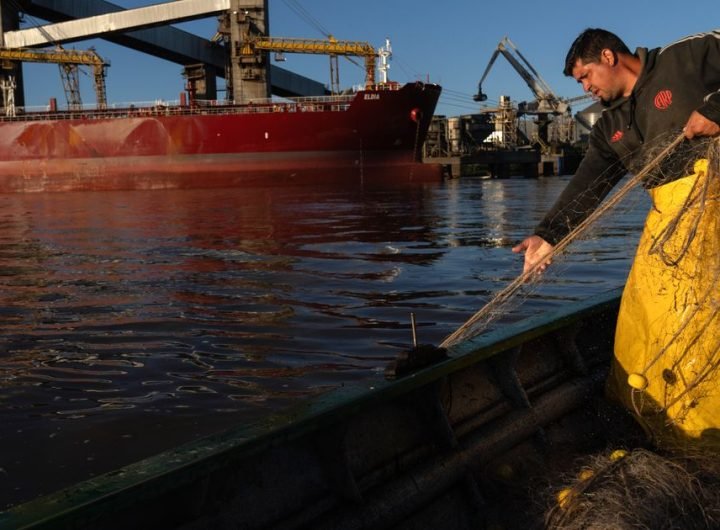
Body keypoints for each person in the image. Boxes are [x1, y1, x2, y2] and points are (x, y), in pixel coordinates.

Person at [512, 28, 720, 448]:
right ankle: (668, 433)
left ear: (609, 57)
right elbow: (588, 184)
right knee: (640, 321)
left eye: (586, 76)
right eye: (579, 83)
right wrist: (547, 236)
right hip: (671, 225)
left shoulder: (688, 56)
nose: (586, 87)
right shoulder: (609, 126)